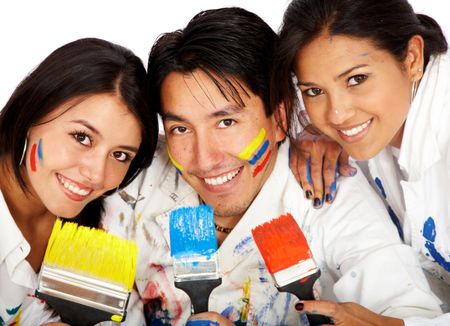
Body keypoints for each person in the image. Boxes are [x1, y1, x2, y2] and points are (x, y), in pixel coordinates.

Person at [102, 7, 443, 326]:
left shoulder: (331, 198)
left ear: (280, 118)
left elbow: (407, 312)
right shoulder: (135, 177)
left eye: (226, 123)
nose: (204, 159)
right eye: (180, 128)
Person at [272, 0, 450, 321]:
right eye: (314, 91)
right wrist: (308, 133)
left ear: (412, 58)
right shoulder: (372, 125)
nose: (337, 114)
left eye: (356, 80)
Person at [0, 37, 158, 325]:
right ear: (32, 113)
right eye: (82, 138)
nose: (97, 175)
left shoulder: (110, 224)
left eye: (120, 155)